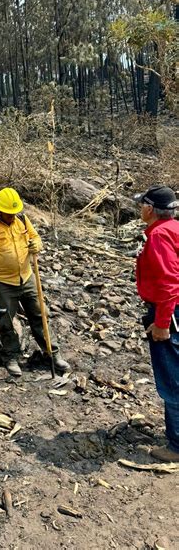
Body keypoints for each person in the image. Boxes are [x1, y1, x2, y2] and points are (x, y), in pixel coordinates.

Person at [0, 187, 70, 377]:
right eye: (8, 214)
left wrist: (37, 244)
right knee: (5, 321)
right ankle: (11, 356)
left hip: (26, 277)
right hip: (3, 282)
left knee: (40, 314)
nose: (12, 216)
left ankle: (52, 353)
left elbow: (35, 237)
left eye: (14, 213)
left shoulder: (22, 220)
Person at [134, 185, 179, 462]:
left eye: (142, 205)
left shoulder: (160, 235)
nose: (140, 209)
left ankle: (176, 446)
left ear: (150, 209)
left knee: (172, 380)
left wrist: (162, 323)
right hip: (173, 308)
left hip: (170, 312)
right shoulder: (174, 229)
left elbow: (169, 283)